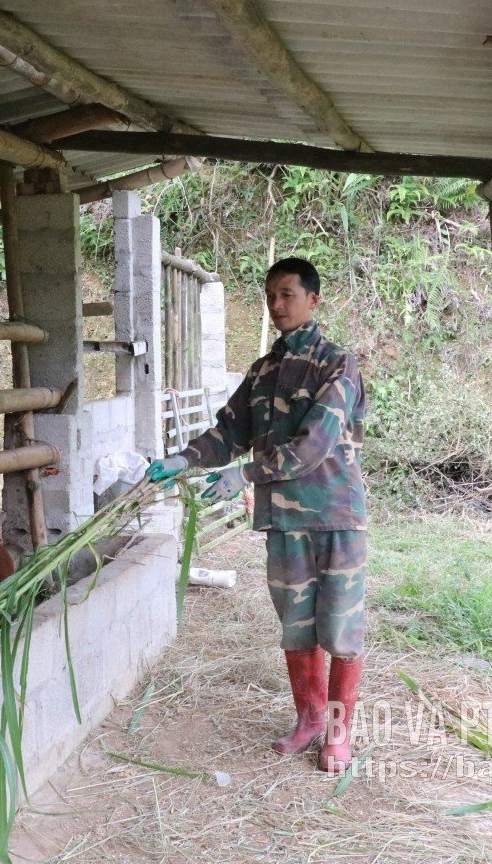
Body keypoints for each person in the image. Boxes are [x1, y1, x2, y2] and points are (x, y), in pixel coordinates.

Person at [147, 257, 368, 773]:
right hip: (284, 522)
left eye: (287, 294)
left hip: (335, 514)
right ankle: (309, 719)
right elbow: (229, 430)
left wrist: (244, 476)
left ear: (313, 300)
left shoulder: (338, 364)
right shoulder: (264, 371)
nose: (276, 305)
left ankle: (338, 732)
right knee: (297, 626)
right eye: (270, 295)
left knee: (340, 628)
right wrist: (184, 458)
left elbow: (314, 445)